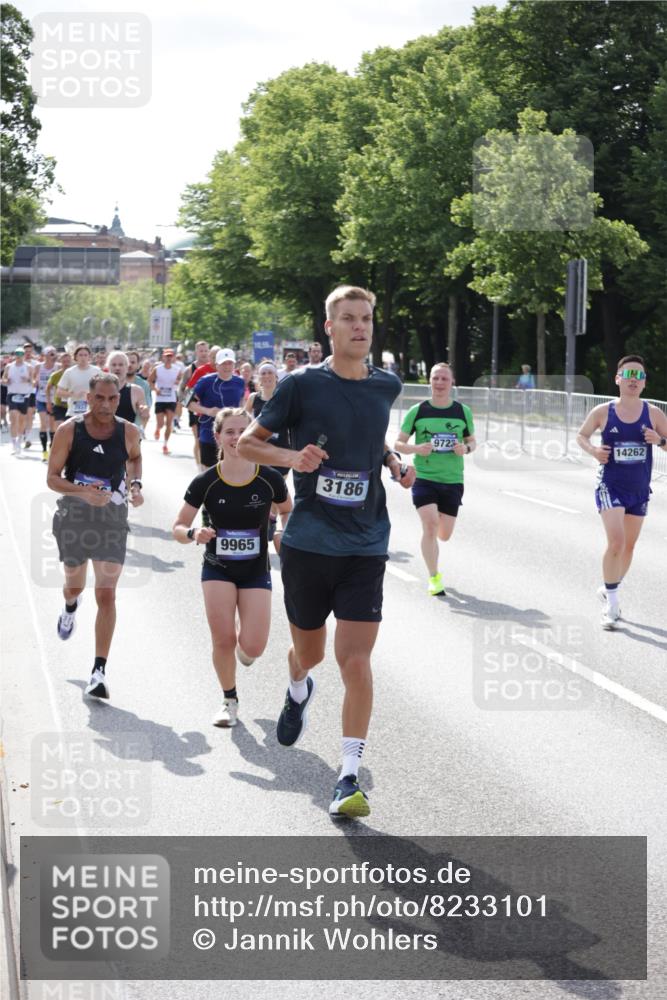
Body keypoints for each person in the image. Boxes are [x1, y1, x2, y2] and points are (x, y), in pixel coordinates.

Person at [238, 285, 415, 819]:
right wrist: (294, 455)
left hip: (366, 542)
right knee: (312, 654)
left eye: (366, 319)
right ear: (329, 327)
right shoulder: (300, 385)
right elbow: (248, 443)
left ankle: (347, 778)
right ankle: (297, 687)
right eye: (349, 319)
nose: (360, 327)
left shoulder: (387, 385)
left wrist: (391, 462)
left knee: (356, 660)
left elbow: (370, 436)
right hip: (309, 543)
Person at [173, 408, 292, 728]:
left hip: (255, 569)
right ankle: (229, 700)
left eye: (243, 430)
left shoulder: (269, 478)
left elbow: (287, 510)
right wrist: (193, 533)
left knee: (253, 646)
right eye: (230, 431)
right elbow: (178, 525)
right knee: (223, 639)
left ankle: (245, 653)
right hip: (217, 568)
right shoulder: (206, 481)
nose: (237, 436)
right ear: (218, 437)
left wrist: (282, 532)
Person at [47, 373, 144, 697]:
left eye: (112, 398)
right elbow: (52, 478)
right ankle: (70, 606)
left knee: (107, 594)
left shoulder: (128, 431)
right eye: (99, 398)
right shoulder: (68, 430)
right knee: (73, 583)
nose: (106, 404)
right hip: (74, 517)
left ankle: (99, 671)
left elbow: (135, 458)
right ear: (88, 398)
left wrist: (135, 485)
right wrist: (82, 492)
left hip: (111, 519)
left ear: (119, 399)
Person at [576, 354, 667, 630]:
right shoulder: (604, 411)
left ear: (644, 383)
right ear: (618, 379)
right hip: (610, 485)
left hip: (639, 489)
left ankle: (609, 587)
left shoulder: (654, 414)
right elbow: (581, 435)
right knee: (616, 542)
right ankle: (612, 606)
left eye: (639, 376)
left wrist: (659, 440)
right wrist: (593, 450)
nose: (633, 380)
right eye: (628, 374)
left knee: (629, 546)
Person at [394, 362, 476, 595]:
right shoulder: (418, 410)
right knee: (429, 525)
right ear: (429, 381)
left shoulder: (462, 411)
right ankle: (433, 577)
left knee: (444, 534)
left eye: (444, 379)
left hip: (452, 479)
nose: (439, 383)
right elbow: (398, 443)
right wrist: (417, 448)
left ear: (452, 383)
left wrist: (466, 449)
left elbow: (472, 442)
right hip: (425, 477)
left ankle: (433, 546)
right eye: (435, 378)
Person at [245, 360, 292, 552]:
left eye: (270, 373)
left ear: (276, 377)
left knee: (277, 486)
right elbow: (243, 418)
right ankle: (266, 519)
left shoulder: (285, 398)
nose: (266, 376)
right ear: (258, 377)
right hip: (259, 450)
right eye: (263, 373)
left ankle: (271, 516)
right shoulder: (254, 399)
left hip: (281, 450)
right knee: (260, 486)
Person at [188, 348, 245, 468]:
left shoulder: (239, 382)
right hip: (209, 433)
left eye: (230, 363)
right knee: (208, 473)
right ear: (216, 365)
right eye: (223, 363)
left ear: (234, 365)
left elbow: (241, 404)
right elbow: (187, 402)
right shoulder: (205, 381)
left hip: (233, 437)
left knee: (230, 473)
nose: (227, 367)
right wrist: (207, 411)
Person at [179, 340, 210, 468]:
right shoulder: (190, 369)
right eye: (201, 351)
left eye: (205, 351)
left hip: (210, 406)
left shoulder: (213, 367)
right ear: (196, 352)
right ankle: (199, 467)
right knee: (198, 438)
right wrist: (184, 402)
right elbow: (181, 388)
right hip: (195, 406)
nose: (203, 353)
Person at [56, 344, 101, 418]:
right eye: (80, 355)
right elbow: (58, 392)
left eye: (85, 355)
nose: (83, 357)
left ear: (89, 357)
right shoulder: (69, 372)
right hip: (73, 412)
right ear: (75, 357)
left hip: (92, 411)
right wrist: (74, 395)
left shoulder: (97, 371)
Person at [3, 347, 33, 457]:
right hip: (12, 394)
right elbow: (3, 379)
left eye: (21, 353)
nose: (19, 355)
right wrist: (6, 381)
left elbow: (33, 382)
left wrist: (28, 380)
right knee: (13, 417)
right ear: (14, 355)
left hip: (24, 395)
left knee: (22, 420)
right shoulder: (9, 366)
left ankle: (19, 440)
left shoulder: (29, 367)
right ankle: (14, 443)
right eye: (17, 353)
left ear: (24, 355)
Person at [149, 348, 181, 452]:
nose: (168, 358)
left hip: (171, 398)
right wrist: (155, 389)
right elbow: (150, 381)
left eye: (170, 356)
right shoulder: (157, 369)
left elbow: (182, 381)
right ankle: (158, 429)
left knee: (169, 423)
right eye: (167, 356)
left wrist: (178, 382)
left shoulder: (177, 369)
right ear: (163, 357)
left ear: (173, 358)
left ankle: (165, 444)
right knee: (161, 423)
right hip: (160, 398)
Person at [107, 351, 149, 425]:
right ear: (108, 367)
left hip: (127, 434)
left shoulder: (137, 391)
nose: (117, 368)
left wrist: (145, 413)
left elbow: (144, 420)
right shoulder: (99, 389)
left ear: (127, 367)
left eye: (121, 365)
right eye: (114, 365)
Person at [33, 346, 59, 461]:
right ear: (45, 355)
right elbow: (34, 380)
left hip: (54, 399)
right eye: (50, 353)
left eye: (54, 353)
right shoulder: (39, 366)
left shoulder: (58, 366)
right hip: (41, 398)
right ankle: (44, 451)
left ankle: (51, 447)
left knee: (53, 427)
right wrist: (35, 382)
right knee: (43, 424)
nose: (52, 355)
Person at [46, 352, 73, 430]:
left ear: (71, 361)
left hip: (72, 405)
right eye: (64, 362)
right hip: (59, 405)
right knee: (59, 426)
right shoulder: (55, 375)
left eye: (68, 361)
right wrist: (48, 402)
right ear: (60, 362)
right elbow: (48, 388)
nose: (66, 364)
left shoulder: (75, 373)